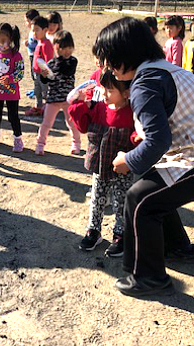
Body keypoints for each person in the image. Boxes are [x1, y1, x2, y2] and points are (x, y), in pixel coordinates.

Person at [95, 17, 194, 297]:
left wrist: (128, 160)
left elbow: (158, 140)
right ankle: (179, 248)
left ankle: (148, 278)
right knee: (155, 189)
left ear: (125, 54)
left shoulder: (146, 83)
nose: (106, 67)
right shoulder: (158, 69)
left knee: (140, 198)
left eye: (108, 59)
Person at [69, 70, 137, 258]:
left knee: (121, 202)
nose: (104, 94)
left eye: (110, 90)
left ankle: (121, 234)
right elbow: (82, 126)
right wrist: (79, 104)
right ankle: (94, 230)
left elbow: (136, 134)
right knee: (97, 199)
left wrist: (136, 138)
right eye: (103, 89)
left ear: (126, 93)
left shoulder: (132, 112)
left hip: (121, 168)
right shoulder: (99, 108)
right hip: (100, 165)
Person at [35, 30, 82, 156]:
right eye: (62, 48)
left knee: (72, 123)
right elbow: (46, 81)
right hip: (53, 99)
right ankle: (40, 144)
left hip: (68, 99)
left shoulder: (72, 61)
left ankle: (76, 144)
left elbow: (67, 71)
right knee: (46, 123)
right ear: (55, 47)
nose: (67, 51)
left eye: (69, 47)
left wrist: (56, 63)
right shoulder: (50, 63)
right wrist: (44, 74)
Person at [0, 23, 25, 152]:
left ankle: (18, 138)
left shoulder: (16, 55)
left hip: (11, 92)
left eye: (4, 41)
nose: (0, 44)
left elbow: (20, 73)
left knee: (13, 116)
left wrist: (11, 79)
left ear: (11, 39)